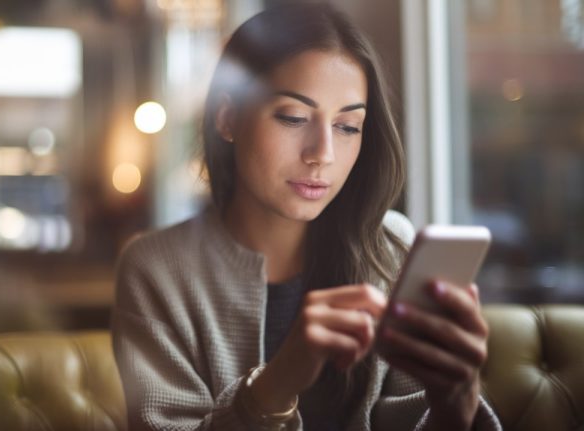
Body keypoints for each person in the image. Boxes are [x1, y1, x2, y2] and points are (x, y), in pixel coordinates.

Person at [111, 2, 502, 430]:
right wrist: (274, 386)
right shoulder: (157, 270)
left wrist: (456, 405)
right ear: (228, 118)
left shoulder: (389, 249)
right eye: (294, 117)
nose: (323, 154)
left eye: (348, 126)